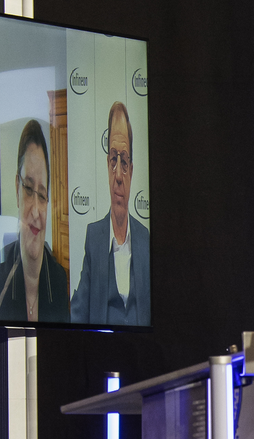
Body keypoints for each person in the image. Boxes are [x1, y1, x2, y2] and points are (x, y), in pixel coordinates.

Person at [71, 102, 151, 325]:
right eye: (113, 159)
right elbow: (77, 313)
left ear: (131, 171)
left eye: (124, 161)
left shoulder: (145, 240)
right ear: (107, 166)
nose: (118, 175)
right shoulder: (94, 237)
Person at [0, 119, 69, 323]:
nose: (36, 211)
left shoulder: (58, 279)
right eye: (28, 189)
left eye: (42, 194)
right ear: (16, 189)